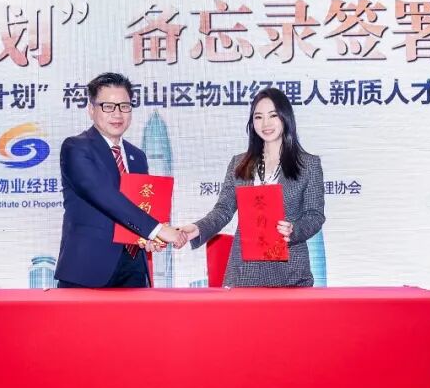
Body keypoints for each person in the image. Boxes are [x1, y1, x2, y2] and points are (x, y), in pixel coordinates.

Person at [179, 87, 325, 287]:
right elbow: (223, 210)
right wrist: (196, 229)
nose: (265, 124)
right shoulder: (239, 163)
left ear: (285, 118)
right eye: (258, 117)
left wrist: (294, 230)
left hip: (290, 272)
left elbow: (315, 215)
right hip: (245, 272)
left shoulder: (308, 164)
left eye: (273, 115)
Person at [55, 72, 187, 288]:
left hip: (134, 269)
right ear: (91, 110)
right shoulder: (76, 147)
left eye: (124, 106)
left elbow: (141, 207)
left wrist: (150, 239)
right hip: (87, 269)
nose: (117, 114)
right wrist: (158, 230)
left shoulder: (137, 156)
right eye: (108, 106)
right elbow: (103, 195)